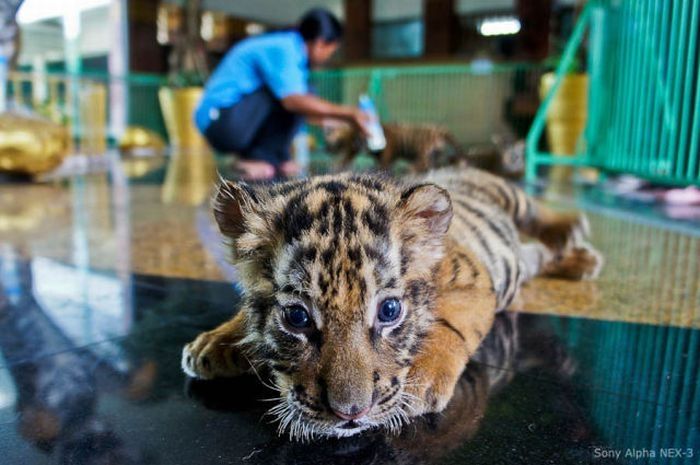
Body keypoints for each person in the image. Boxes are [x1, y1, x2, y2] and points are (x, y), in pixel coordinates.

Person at [195, 8, 368, 180]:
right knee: (297, 96)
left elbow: (304, 109)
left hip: (233, 119)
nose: (329, 57)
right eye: (332, 50)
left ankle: (275, 158)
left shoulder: (292, 51)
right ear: (321, 43)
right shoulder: (285, 48)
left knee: (303, 94)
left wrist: (339, 120)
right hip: (218, 122)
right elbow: (293, 101)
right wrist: (349, 113)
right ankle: (254, 158)